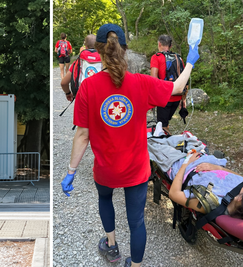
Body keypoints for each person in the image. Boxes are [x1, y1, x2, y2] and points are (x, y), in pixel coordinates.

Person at [60, 24, 199, 267]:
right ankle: (135, 265)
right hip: (136, 169)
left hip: (105, 170)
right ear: (124, 50)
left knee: (105, 200)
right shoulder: (141, 83)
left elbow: (82, 135)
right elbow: (177, 88)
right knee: (136, 222)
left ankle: (111, 246)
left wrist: (71, 172)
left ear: (100, 51)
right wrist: (190, 61)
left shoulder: (88, 88)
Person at [169, 152, 243, 219]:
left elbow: (174, 194)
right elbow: (239, 178)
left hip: (182, 166)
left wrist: (186, 162)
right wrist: (218, 168)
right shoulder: (239, 193)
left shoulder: (211, 203)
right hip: (204, 160)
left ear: (239, 200)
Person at [150, 35, 186, 134]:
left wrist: (153, 98)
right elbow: (184, 79)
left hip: (164, 98)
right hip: (177, 96)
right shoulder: (179, 58)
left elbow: (153, 80)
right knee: (165, 121)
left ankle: (167, 144)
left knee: (162, 126)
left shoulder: (156, 57)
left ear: (159, 44)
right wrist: (183, 100)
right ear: (171, 46)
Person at [60, 34, 98, 102]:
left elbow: (64, 83)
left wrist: (68, 93)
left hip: (82, 97)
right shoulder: (105, 61)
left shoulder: (78, 62)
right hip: (99, 98)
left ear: (85, 46)